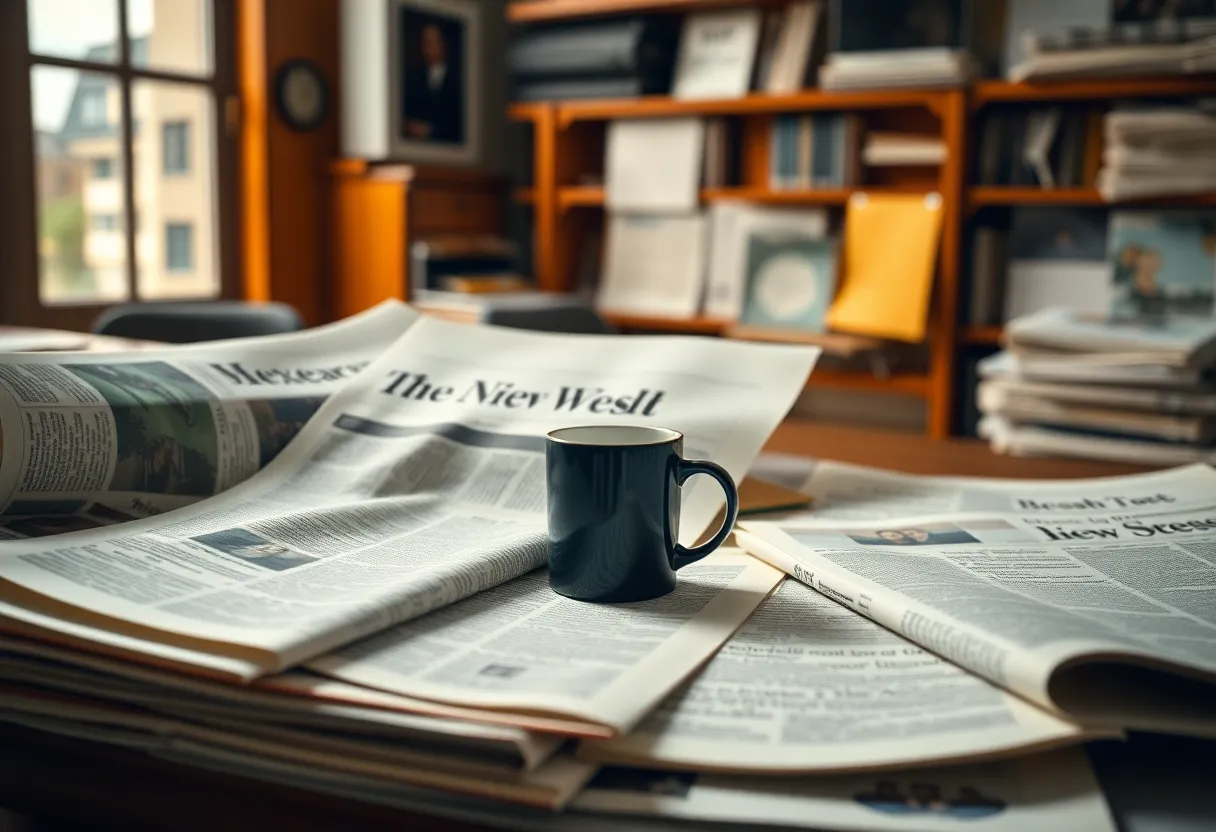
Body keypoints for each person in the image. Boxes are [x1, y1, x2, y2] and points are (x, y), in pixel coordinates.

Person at [403, 22, 461, 143]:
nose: (429, 48)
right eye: (425, 43)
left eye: (433, 42)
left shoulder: (459, 78)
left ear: (443, 44)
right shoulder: (413, 78)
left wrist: (432, 131)